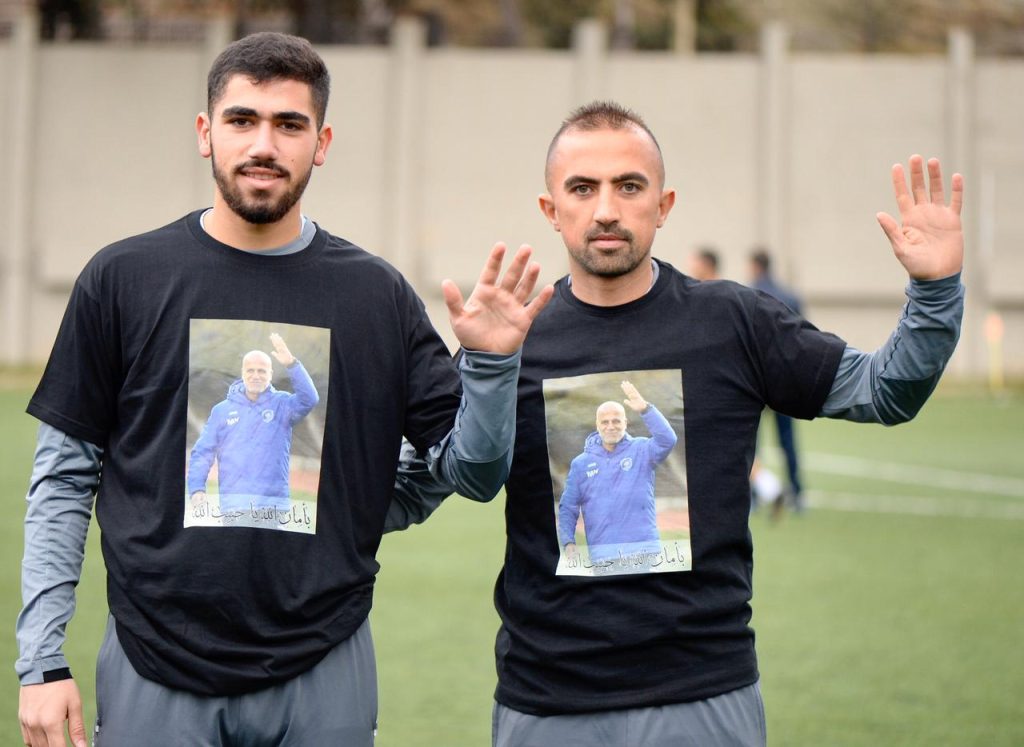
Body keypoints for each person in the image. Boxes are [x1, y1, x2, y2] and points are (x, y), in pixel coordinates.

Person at [16, 32, 552, 747]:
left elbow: (473, 473)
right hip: (152, 658)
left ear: (321, 142)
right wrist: (41, 659)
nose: (263, 144)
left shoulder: (376, 296)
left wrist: (488, 364)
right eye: (242, 120)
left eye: (289, 124)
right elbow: (63, 477)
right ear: (205, 132)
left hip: (324, 660)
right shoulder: (122, 279)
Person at [396, 100, 964, 745]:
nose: (605, 209)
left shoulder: (734, 321)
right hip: (548, 698)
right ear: (551, 210)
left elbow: (885, 391)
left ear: (663, 205)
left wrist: (936, 290)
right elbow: (455, 474)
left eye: (628, 186)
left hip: (705, 693)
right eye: (582, 188)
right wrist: (488, 366)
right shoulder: (510, 336)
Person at [187, 333, 319, 514]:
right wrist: (196, 488)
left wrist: (291, 364)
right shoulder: (221, 411)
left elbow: (310, 399)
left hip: (273, 506)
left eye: (262, 371)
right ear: (243, 373)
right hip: (234, 505)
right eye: (250, 370)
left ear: (270, 374)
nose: (256, 375)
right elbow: (203, 452)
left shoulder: (283, 404)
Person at [557, 380, 677, 564]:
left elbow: (668, 440)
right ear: (597, 425)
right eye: (605, 422)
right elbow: (568, 506)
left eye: (616, 421)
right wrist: (568, 541)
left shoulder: (642, 449)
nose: (610, 426)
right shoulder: (581, 464)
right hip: (603, 555)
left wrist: (646, 409)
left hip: (643, 552)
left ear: (625, 423)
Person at [748, 247, 807, 513]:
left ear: (754, 266)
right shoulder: (790, 296)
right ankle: (798, 492)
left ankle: (754, 496)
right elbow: (803, 336)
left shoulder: (748, 294)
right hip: (786, 378)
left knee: (753, 440)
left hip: (757, 381)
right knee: (787, 439)